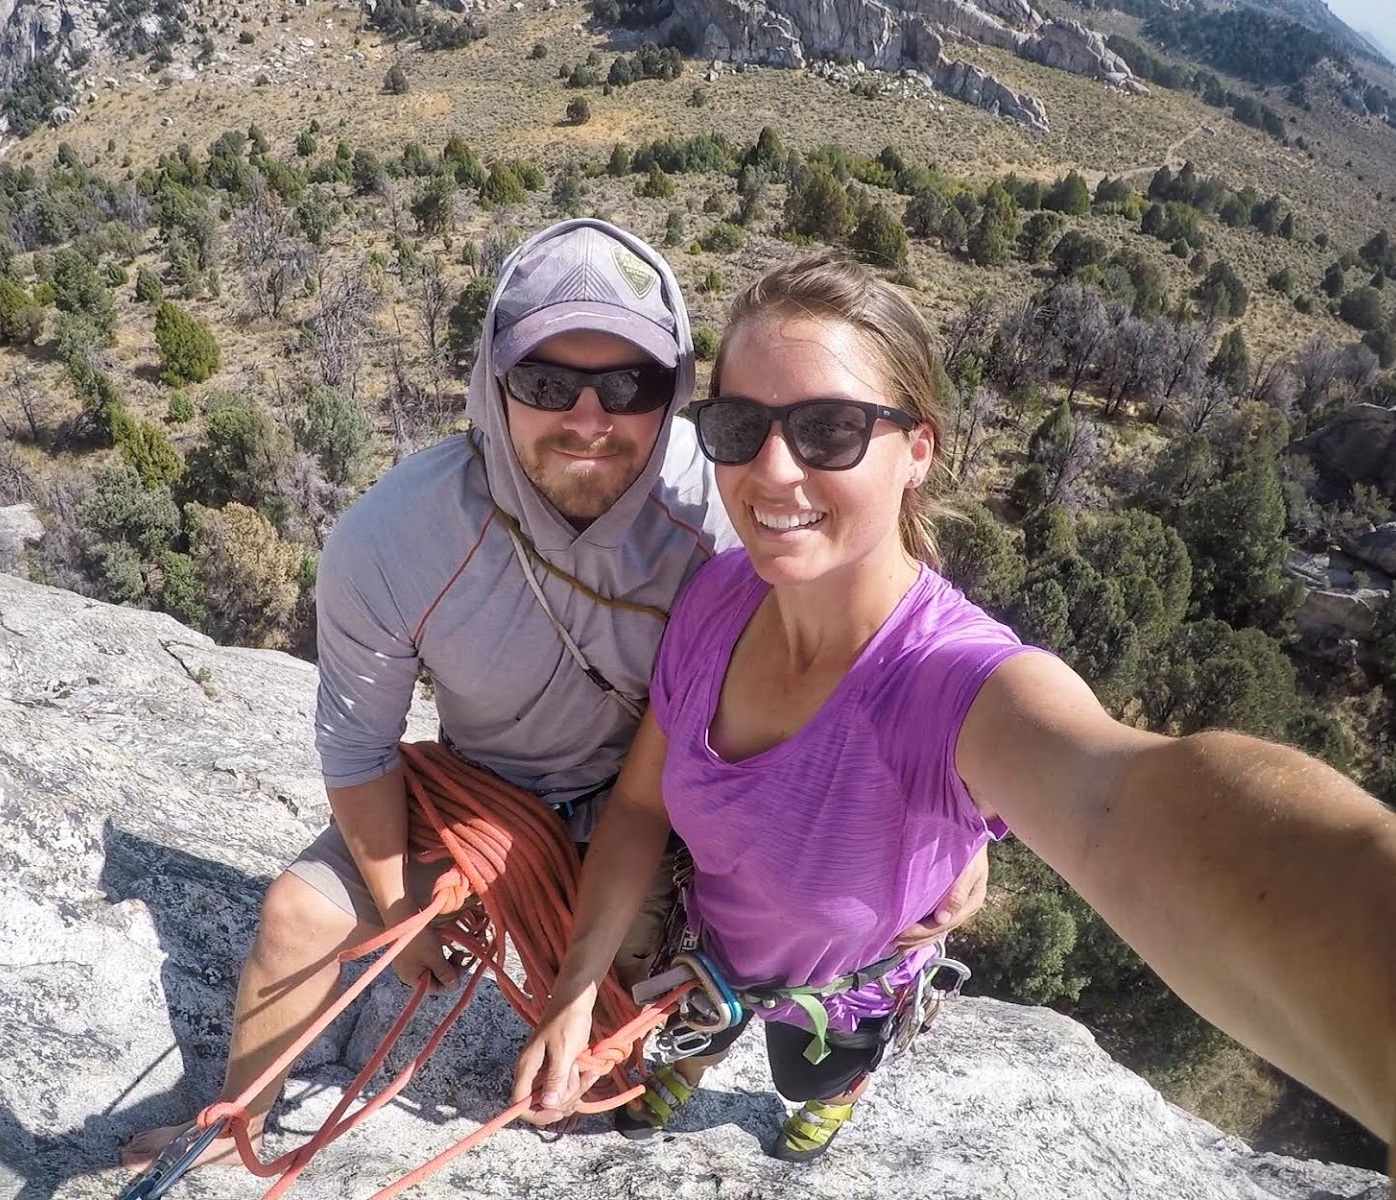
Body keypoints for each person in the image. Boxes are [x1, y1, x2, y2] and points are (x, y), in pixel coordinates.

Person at [121, 222, 988, 1170]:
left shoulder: (731, 503)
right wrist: (395, 904)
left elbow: (874, 626)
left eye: (631, 387)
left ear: (675, 398)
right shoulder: (394, 537)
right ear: (493, 387)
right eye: (543, 384)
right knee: (296, 915)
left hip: (641, 815)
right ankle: (229, 1132)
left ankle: (808, 1066)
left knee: (621, 1031)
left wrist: (952, 832)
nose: (588, 417)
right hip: (480, 792)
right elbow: (359, 751)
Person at [513, 252, 1396, 1171]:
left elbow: (1118, 800)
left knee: (811, 1084)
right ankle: (705, 1053)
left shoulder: (949, 679)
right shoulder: (717, 598)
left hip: (847, 992)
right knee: (692, 1047)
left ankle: (834, 1094)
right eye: (739, 425)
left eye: (829, 429)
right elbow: (641, 804)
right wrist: (578, 989)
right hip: (712, 954)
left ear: (919, 450)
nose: (772, 470)